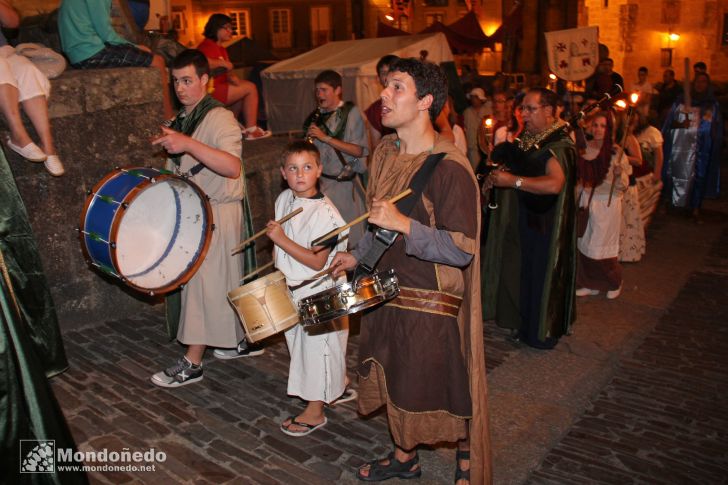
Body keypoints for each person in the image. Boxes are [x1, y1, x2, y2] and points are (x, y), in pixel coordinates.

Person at [330, 58, 491, 484]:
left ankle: (466, 456)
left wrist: (406, 225)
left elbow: (462, 249)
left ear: (425, 102)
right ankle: (405, 457)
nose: (383, 96)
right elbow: (377, 223)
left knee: (438, 382)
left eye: (396, 88)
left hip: (430, 300)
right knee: (397, 377)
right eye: (386, 87)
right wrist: (358, 254)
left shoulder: (451, 168)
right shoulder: (385, 152)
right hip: (386, 291)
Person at [149, 49, 254, 387]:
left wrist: (187, 144)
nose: (180, 88)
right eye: (176, 81)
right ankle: (234, 341)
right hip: (197, 210)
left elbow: (232, 166)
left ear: (205, 81)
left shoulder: (219, 117)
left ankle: (192, 362)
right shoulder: (187, 117)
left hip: (218, 209)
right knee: (219, 284)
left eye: (187, 80)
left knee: (203, 286)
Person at [266, 141, 354, 437]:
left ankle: (315, 412)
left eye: (307, 167)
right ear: (283, 173)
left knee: (319, 351)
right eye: (293, 168)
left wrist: (279, 240)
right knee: (305, 348)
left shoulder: (327, 216)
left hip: (320, 290)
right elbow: (283, 244)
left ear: (319, 170)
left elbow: (317, 262)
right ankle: (337, 385)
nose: (299, 174)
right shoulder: (284, 200)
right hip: (294, 286)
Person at [482, 88, 577, 348]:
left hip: (546, 224)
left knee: (539, 275)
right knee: (521, 271)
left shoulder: (558, 144)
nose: (524, 114)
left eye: (530, 109)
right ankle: (523, 326)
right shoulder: (529, 137)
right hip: (526, 217)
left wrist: (512, 181)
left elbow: (554, 184)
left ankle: (540, 333)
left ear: (549, 110)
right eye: (522, 108)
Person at [58, 0, 173, 119]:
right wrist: (136, 47)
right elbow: (107, 35)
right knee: (158, 61)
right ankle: (169, 121)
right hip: (91, 53)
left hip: (77, 54)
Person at [304, 70, 368, 248]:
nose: (319, 95)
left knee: (350, 243)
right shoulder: (317, 116)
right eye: (317, 91)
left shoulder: (351, 114)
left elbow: (359, 150)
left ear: (337, 90)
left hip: (344, 188)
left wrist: (325, 138)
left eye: (324, 90)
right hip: (323, 186)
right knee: (326, 242)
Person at [0, 0, 64, 175]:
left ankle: (48, 145)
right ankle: (18, 136)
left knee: (28, 71)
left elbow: (12, 22)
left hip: (4, 51)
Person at [575, 112, 630, 299]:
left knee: (602, 249)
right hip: (587, 201)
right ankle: (591, 283)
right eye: (595, 125)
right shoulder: (585, 149)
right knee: (585, 245)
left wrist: (618, 174)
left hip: (607, 203)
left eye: (603, 126)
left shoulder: (616, 153)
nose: (598, 129)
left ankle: (614, 282)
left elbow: (623, 185)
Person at [197, 14, 270, 141]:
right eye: (227, 28)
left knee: (242, 88)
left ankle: (233, 125)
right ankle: (251, 129)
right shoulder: (206, 46)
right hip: (210, 91)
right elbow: (200, 61)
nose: (231, 31)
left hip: (220, 87)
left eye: (231, 28)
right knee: (251, 88)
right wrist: (223, 63)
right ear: (216, 28)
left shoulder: (221, 49)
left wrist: (231, 76)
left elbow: (225, 69)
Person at [661, 72, 723, 222]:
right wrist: (683, 121)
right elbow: (671, 123)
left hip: (702, 148)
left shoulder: (711, 104)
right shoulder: (681, 101)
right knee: (677, 174)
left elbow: (715, 127)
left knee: (699, 177)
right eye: (698, 81)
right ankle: (673, 203)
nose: (700, 84)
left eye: (703, 82)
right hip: (682, 146)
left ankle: (695, 207)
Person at [615, 112, 645, 263]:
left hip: (628, 182)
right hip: (618, 182)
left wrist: (622, 156)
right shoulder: (618, 138)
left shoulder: (630, 139)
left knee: (628, 218)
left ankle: (628, 252)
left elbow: (639, 160)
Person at [633, 111, 664, 226]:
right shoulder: (628, 132)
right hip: (631, 179)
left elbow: (658, 154)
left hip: (646, 178)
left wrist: (657, 173)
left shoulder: (652, 132)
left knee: (642, 213)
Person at [365, 54, 399, 149]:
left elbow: (444, 129)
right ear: (378, 78)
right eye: (384, 73)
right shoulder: (374, 109)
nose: (388, 76)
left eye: (391, 71)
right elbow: (376, 146)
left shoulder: (415, 98)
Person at [463, 86, 493, 169]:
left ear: (481, 99)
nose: (473, 100)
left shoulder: (488, 111)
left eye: (475, 97)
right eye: (472, 97)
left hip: (486, 149)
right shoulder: (467, 112)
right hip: (472, 148)